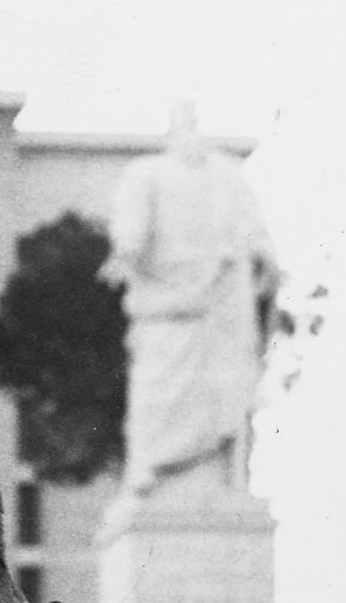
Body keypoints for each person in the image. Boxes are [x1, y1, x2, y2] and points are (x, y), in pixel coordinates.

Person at [102, 99, 277, 495]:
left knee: (221, 394)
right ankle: (148, 465)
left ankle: (220, 476)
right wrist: (125, 254)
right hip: (165, 305)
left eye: (196, 123)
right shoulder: (145, 174)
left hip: (221, 306)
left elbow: (254, 230)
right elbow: (131, 229)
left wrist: (265, 257)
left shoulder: (227, 175)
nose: (191, 132)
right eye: (182, 124)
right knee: (157, 390)